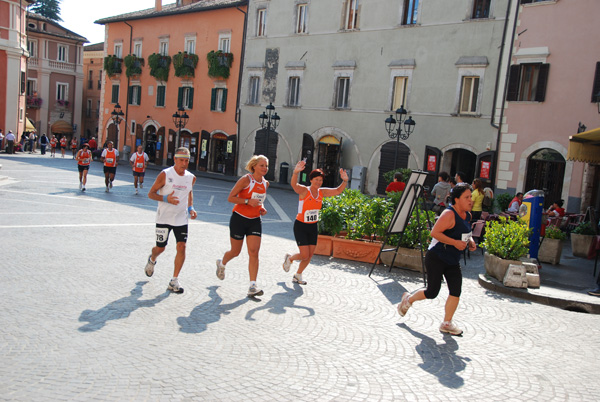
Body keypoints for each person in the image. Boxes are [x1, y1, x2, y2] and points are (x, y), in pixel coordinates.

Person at [397, 183, 476, 336]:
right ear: (457, 199)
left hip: (452, 259)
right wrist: (455, 243)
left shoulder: (468, 215)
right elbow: (434, 233)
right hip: (437, 257)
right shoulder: (449, 214)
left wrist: (470, 241)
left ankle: (446, 323)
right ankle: (408, 299)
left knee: (456, 290)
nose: (470, 200)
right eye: (467, 197)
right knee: (432, 292)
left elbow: (466, 232)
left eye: (470, 197)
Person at [282, 161, 349, 285]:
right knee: (304, 254)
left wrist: (344, 181)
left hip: (313, 226)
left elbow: (338, 191)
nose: (319, 182)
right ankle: (290, 258)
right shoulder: (304, 191)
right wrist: (296, 172)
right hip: (301, 226)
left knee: (309, 255)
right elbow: (294, 185)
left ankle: (298, 275)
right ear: (311, 180)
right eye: (316, 180)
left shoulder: (321, 192)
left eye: (320, 180)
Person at [144, 147, 197, 294]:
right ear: (175, 159)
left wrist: (191, 207)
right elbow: (151, 194)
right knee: (160, 248)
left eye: (187, 161)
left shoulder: (191, 177)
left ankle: (174, 280)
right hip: (164, 218)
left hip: (181, 219)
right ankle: (152, 258)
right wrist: (165, 198)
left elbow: (189, 193)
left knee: (182, 247)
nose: (184, 164)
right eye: (181, 160)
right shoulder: (165, 174)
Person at [216, 155, 269, 297]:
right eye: (262, 165)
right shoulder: (246, 180)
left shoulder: (266, 184)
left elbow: (259, 200)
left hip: (255, 221)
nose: (265, 168)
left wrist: (261, 207)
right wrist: (246, 201)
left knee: (254, 252)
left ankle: (252, 286)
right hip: (239, 219)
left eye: (266, 166)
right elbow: (231, 197)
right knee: (235, 251)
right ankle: (222, 263)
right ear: (254, 166)